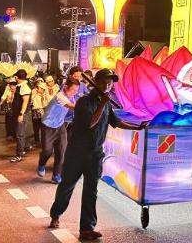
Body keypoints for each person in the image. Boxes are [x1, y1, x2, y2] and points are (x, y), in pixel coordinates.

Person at [48, 69, 141, 240]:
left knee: (91, 190)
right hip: (77, 153)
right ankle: (56, 213)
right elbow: (91, 123)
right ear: (96, 82)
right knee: (67, 186)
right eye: (105, 82)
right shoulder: (84, 102)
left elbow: (117, 122)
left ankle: (87, 228)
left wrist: (138, 127)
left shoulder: (105, 103)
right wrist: (102, 104)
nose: (108, 85)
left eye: (110, 83)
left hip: (95, 154)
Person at [38, 79, 79, 184]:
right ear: (65, 87)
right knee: (47, 150)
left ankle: (56, 175)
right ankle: (42, 164)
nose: (74, 92)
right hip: (47, 125)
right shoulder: (60, 96)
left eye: (76, 90)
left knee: (61, 151)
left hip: (60, 126)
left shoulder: (72, 97)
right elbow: (71, 107)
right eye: (72, 90)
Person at [10, 70, 32, 163]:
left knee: (20, 134)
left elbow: (25, 102)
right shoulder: (21, 86)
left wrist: (21, 114)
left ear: (17, 77)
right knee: (19, 133)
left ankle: (19, 154)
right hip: (18, 112)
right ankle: (25, 147)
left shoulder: (25, 87)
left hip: (22, 114)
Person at [31, 80, 47, 146]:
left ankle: (44, 141)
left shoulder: (46, 96)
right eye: (37, 87)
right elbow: (32, 102)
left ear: (43, 89)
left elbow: (46, 104)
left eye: (39, 88)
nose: (37, 89)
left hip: (43, 112)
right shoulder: (34, 94)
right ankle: (37, 140)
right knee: (36, 127)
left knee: (43, 128)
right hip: (36, 112)